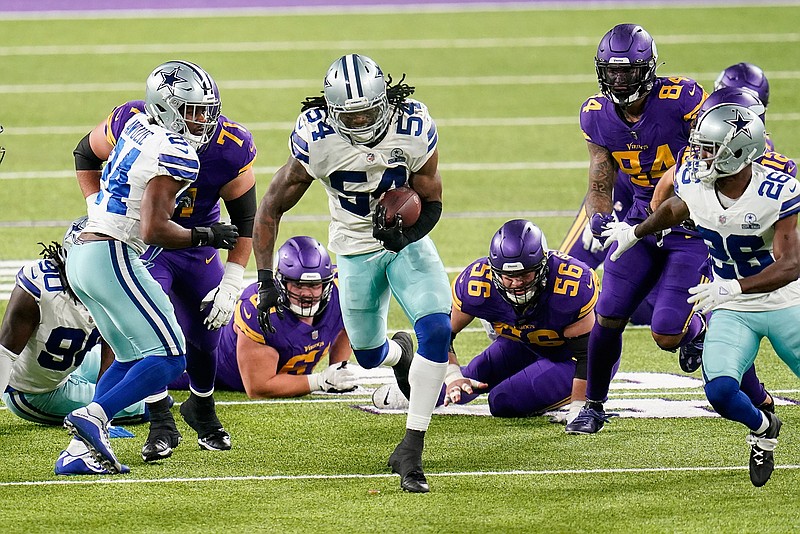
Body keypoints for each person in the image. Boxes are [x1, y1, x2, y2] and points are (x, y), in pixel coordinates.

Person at [253, 54, 451, 493]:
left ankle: (411, 449)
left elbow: (433, 198)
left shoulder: (413, 127)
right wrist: (265, 281)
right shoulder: (316, 139)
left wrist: (408, 233)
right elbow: (269, 207)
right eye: (350, 114)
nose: (360, 122)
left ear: (386, 101)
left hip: (406, 242)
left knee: (438, 329)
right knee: (366, 355)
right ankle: (399, 354)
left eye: (368, 110)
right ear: (330, 110)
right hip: (354, 248)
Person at [602, 103, 800, 487]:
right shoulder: (696, 177)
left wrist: (735, 285)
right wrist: (636, 231)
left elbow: (791, 264)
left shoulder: (777, 191)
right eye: (700, 147)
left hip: (783, 301)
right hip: (729, 304)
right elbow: (678, 207)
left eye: (710, 149)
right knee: (722, 391)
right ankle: (763, 428)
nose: (700, 156)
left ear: (738, 152)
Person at [60, 62, 238, 475]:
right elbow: (156, 229)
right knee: (173, 357)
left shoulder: (138, 125)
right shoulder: (177, 152)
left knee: (129, 357)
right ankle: (94, 416)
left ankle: (77, 453)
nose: (203, 120)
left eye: (206, 110)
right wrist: (207, 236)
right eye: (192, 110)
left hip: (85, 253)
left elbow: (95, 156)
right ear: (168, 106)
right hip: (113, 253)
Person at [564, 24, 709, 435]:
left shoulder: (683, 99)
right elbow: (600, 169)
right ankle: (594, 404)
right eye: (611, 71)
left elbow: (697, 165)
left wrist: (652, 214)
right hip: (639, 221)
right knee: (607, 313)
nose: (618, 80)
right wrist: (598, 214)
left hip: (689, 223)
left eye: (627, 72)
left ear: (648, 68)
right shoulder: (596, 113)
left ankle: (699, 326)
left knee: (665, 334)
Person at [377, 220, 599, 423]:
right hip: (523, 344)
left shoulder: (570, 284)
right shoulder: (478, 284)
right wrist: (453, 375)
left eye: (525, 275)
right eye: (508, 277)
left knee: (503, 400)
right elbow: (443, 334)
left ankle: (578, 399)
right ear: (494, 272)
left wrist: (580, 406)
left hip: (572, 357)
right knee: (463, 385)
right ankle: (416, 394)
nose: (516, 284)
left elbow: (588, 355)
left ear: (543, 267)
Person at [0, 218, 148, 475]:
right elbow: (5, 353)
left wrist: (102, 407)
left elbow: (113, 349)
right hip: (34, 391)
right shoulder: (38, 286)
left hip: (71, 361)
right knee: (142, 405)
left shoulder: (107, 286)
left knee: (147, 377)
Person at [169, 236, 357, 398]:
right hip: (210, 367)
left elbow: (347, 326)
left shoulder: (341, 291)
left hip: (284, 370)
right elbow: (259, 387)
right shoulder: (260, 309)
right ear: (281, 283)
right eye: (298, 285)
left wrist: (338, 369)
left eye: (315, 285)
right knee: (162, 370)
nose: (307, 294)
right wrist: (320, 381)